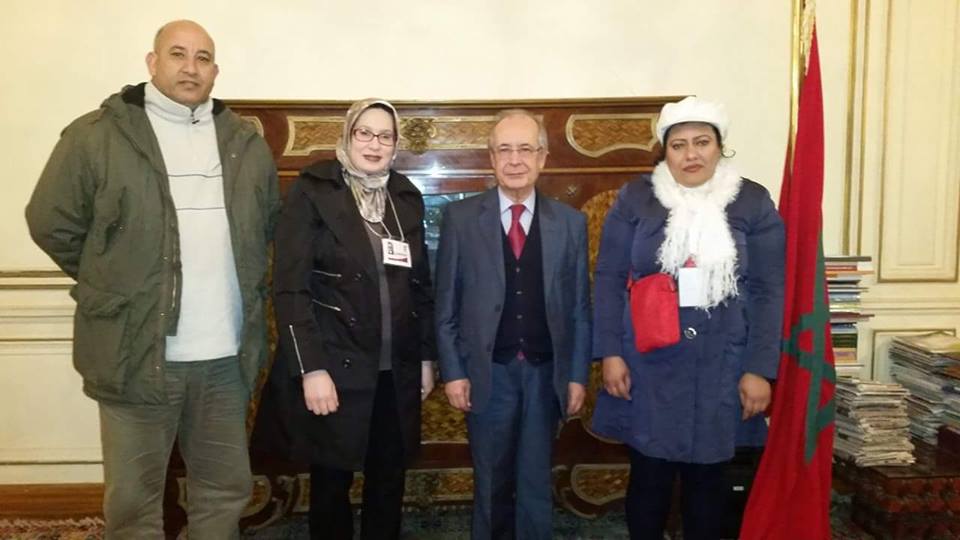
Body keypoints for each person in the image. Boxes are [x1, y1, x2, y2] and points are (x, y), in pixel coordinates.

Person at [24, 20, 280, 538]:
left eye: (203, 58)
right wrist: (114, 282)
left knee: (224, 494)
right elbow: (51, 223)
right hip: (135, 355)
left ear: (215, 71)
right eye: (178, 54)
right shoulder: (97, 137)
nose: (191, 68)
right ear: (152, 62)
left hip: (224, 361)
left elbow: (266, 228)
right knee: (134, 504)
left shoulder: (244, 144)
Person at [591, 96, 785, 540]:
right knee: (649, 477)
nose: (691, 154)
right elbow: (609, 278)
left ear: (720, 146)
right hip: (649, 364)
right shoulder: (637, 198)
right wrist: (611, 354)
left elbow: (768, 290)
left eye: (702, 142)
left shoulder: (751, 201)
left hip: (724, 366)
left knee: (709, 485)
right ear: (665, 151)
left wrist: (759, 369)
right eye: (678, 145)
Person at [261, 98, 436, 540]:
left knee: (388, 481)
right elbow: (290, 288)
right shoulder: (314, 191)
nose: (374, 145)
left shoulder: (405, 197)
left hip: (394, 371)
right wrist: (311, 368)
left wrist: (425, 358)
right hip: (334, 369)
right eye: (365, 133)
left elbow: (420, 288)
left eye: (385, 136)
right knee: (331, 485)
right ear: (348, 135)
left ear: (395, 144)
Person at [435, 109, 592, 539]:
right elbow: (445, 305)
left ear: (542, 157)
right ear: (491, 158)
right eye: (504, 149)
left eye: (525, 149)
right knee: (491, 482)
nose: (515, 159)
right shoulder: (461, 220)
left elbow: (579, 309)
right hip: (487, 374)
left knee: (537, 482)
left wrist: (577, 376)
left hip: (546, 374)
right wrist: (454, 372)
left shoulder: (571, 224)